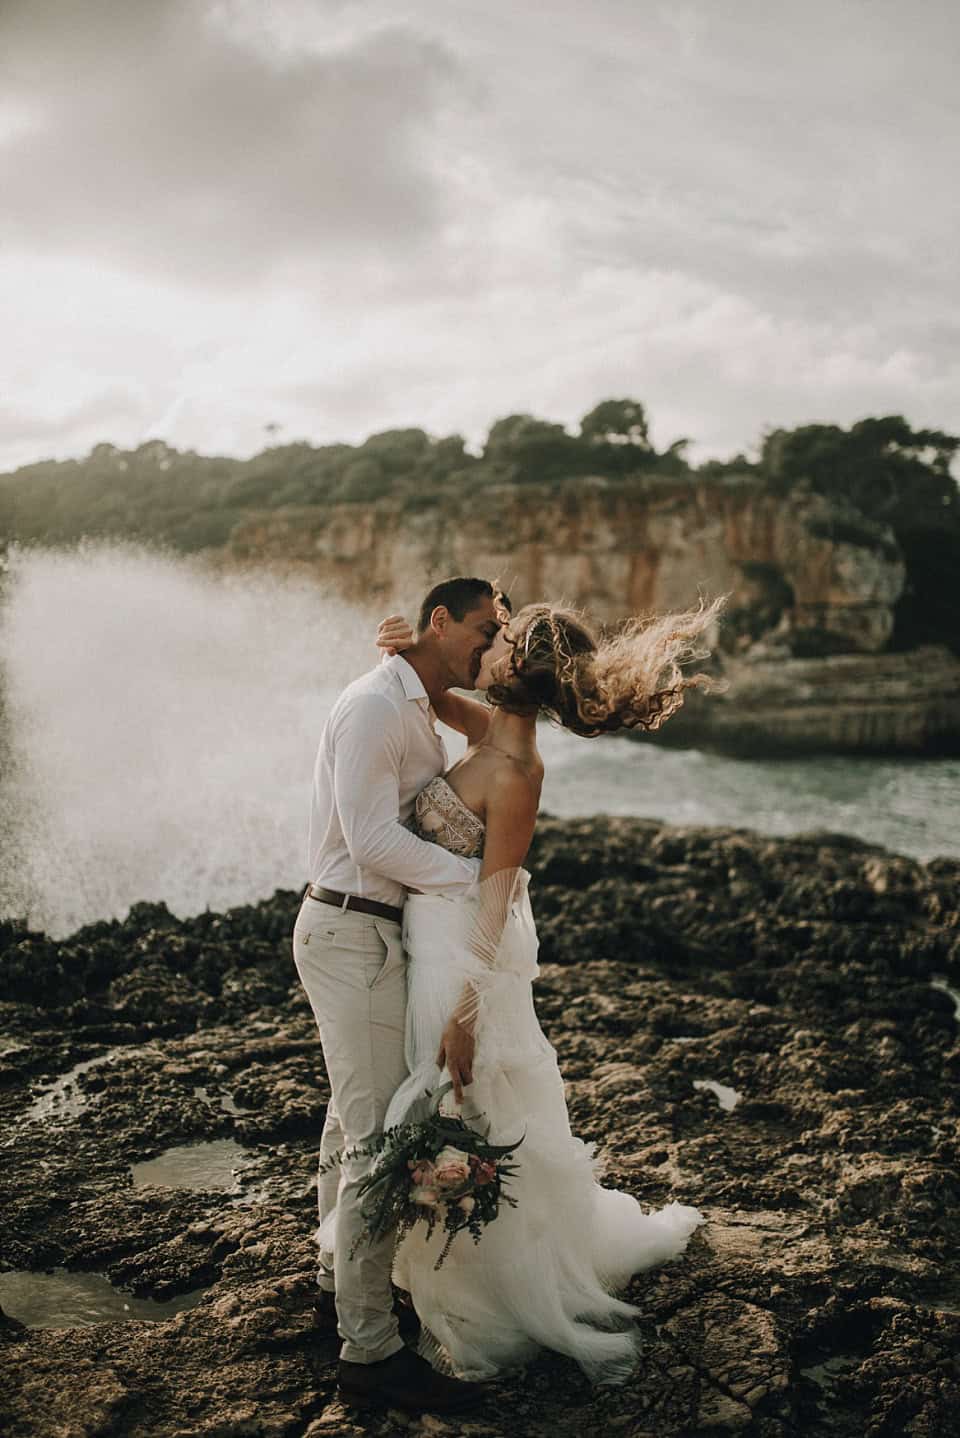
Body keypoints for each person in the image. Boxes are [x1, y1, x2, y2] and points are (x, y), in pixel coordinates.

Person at [354, 595, 724, 1385]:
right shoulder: (487, 732)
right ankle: (424, 1273)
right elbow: (428, 691)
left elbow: (496, 899)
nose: (484, 646)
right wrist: (396, 648)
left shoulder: (519, 770)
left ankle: (489, 1291)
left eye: (498, 640)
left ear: (515, 668)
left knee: (471, 1113)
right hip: (430, 944)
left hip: (463, 961)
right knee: (446, 1117)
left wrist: (465, 1011)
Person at [292, 576, 507, 1414]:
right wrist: (476, 881)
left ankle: (332, 1280)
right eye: (482, 630)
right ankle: (371, 1351)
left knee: (351, 1119)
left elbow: (495, 729)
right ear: (440, 619)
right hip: (349, 930)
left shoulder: (420, 699)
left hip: (376, 933)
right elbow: (368, 836)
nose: (489, 646)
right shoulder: (379, 706)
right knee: (380, 1138)